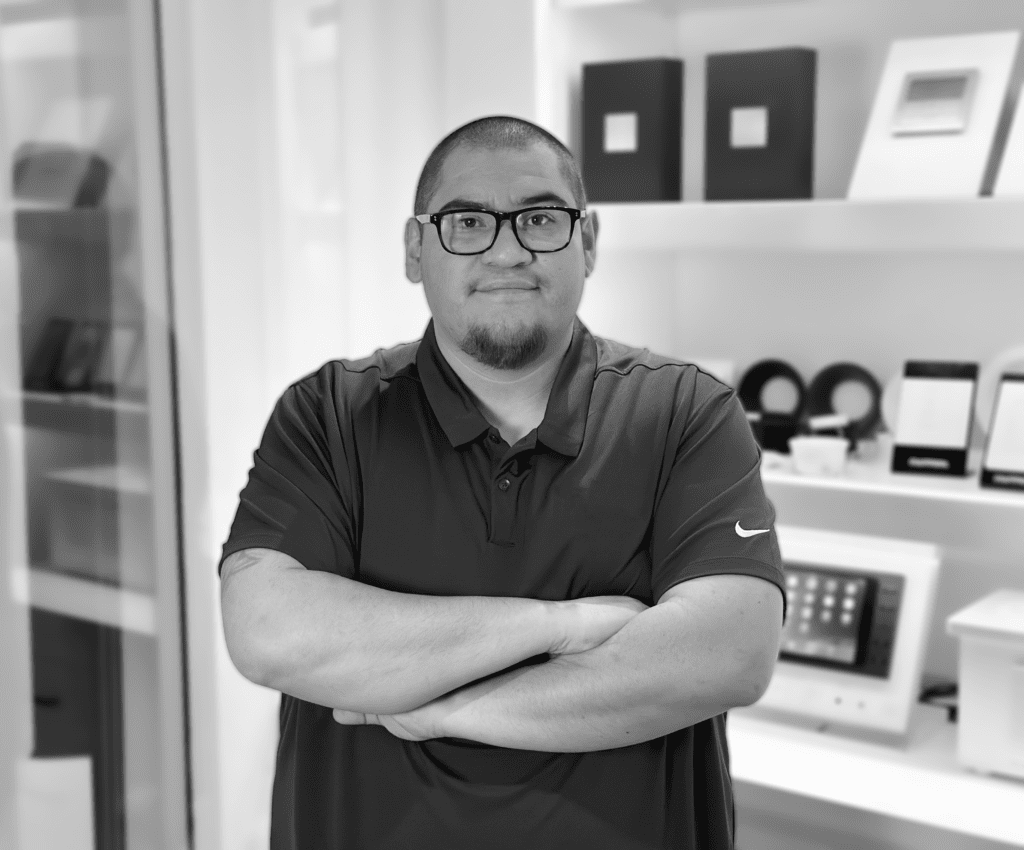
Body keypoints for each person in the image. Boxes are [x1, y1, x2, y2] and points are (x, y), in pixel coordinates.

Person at [219, 115, 786, 850]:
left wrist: (437, 709)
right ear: (415, 249)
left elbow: (730, 652)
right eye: (467, 222)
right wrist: (560, 625)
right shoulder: (329, 414)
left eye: (541, 219)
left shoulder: (684, 412)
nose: (508, 250)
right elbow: (271, 634)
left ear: (588, 242)